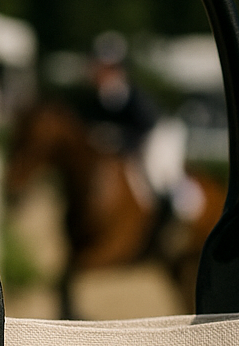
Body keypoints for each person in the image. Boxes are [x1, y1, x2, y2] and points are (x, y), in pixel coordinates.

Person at [85, 32, 205, 222]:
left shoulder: (121, 92)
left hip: (158, 135)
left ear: (116, 68)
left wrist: (119, 138)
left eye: (104, 67)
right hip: (138, 138)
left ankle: (181, 214)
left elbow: (144, 127)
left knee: (156, 175)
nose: (97, 71)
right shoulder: (100, 95)